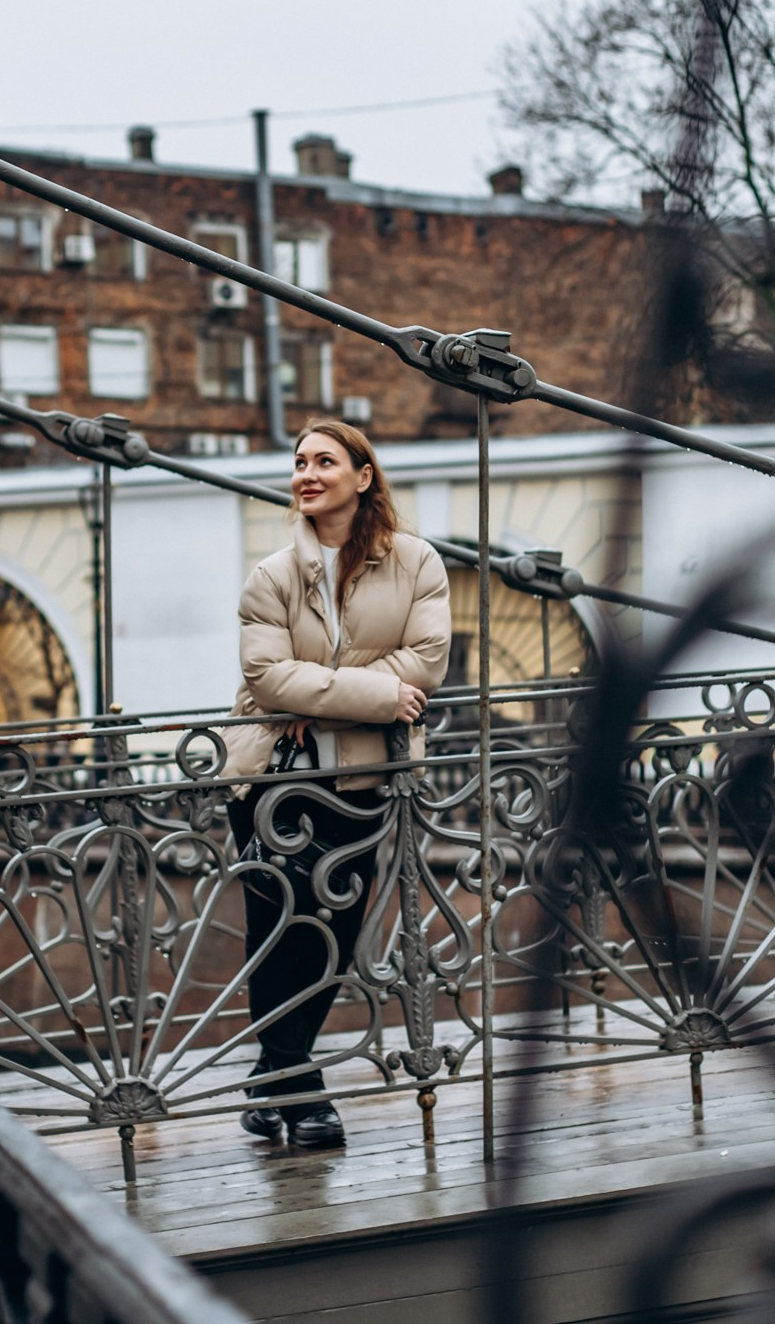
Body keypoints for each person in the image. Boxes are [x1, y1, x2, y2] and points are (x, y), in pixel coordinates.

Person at [221, 419, 449, 1148]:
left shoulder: (417, 563)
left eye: (325, 461)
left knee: (334, 939)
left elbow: (427, 661)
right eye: (299, 463)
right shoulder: (271, 577)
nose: (307, 474)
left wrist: (318, 695)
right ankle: (301, 1089)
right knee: (278, 934)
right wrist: (375, 696)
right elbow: (267, 677)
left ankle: (270, 1082)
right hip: (272, 781)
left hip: (361, 780)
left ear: (363, 475)